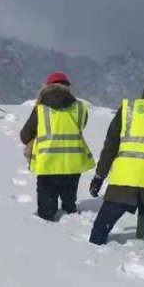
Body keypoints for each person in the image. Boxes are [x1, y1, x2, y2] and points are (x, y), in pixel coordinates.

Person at [88, 71, 144, 261]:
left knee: (103, 225)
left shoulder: (129, 108)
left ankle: (92, 254)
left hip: (125, 178)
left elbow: (111, 145)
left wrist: (100, 175)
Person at [20, 72, 95, 221]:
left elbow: (25, 135)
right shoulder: (80, 107)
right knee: (69, 200)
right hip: (72, 162)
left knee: (46, 209)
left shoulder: (40, 109)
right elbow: (81, 125)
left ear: (47, 87)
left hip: (48, 163)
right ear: (67, 87)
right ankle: (70, 213)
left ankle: (47, 230)